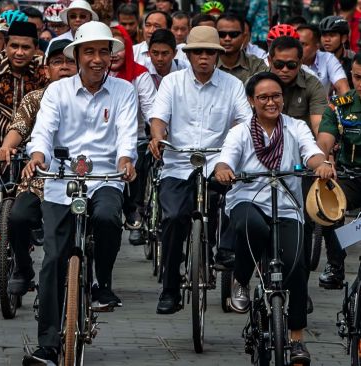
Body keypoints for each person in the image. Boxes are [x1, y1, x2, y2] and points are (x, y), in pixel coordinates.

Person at [21, 21, 138, 364]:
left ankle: (102, 281)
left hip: (106, 176)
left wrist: (126, 159)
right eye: (90, 52)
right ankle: (47, 344)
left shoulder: (124, 91)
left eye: (104, 52)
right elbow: (43, 129)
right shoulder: (57, 91)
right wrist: (38, 156)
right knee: (54, 259)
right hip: (61, 178)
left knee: (106, 218)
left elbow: (127, 132)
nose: (98, 59)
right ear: (78, 56)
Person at [214, 71, 334, 364]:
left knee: (297, 266)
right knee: (247, 224)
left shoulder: (295, 127)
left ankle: (296, 340)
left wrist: (322, 165)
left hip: (288, 206)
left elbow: (312, 153)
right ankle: (241, 279)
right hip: (248, 200)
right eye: (264, 97)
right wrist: (223, 170)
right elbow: (225, 158)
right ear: (252, 101)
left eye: (276, 96)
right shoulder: (241, 131)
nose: (271, 102)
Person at [148, 26, 252, 314]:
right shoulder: (172, 82)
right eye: (198, 52)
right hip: (179, 163)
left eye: (209, 52)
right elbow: (158, 118)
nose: (203, 58)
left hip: (218, 161)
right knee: (172, 219)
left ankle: (226, 250)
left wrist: (231, 151)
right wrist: (158, 136)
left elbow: (245, 122)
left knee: (236, 199)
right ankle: (170, 288)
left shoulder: (232, 85)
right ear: (189, 55)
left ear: (217, 55)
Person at [0, 38, 77, 296]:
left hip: (80, 180)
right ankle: (23, 268)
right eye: (57, 62)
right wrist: (6, 147)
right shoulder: (36, 98)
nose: (64, 67)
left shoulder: (89, 97)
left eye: (70, 62)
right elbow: (19, 127)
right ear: (46, 68)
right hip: (39, 178)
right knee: (17, 217)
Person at [0, 20, 47, 293]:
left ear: (35, 49)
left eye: (26, 47)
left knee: (26, 210)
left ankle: (23, 260)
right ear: (6, 45)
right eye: (13, 45)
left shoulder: (43, 73)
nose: (19, 52)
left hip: (32, 151)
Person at [315, 53, 361, 290]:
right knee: (328, 204)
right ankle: (335, 265)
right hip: (350, 177)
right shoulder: (340, 107)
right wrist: (323, 160)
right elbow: (324, 139)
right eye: (357, 77)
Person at [110, 24, 156, 244]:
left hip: (134, 136)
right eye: (108, 47)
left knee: (136, 158)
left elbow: (150, 110)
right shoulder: (91, 73)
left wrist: (157, 132)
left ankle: (133, 210)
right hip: (100, 140)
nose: (113, 53)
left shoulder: (140, 75)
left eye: (119, 47)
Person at [297, 24, 349, 96]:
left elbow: (343, 87)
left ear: (317, 45)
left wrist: (347, 103)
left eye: (303, 44)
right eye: (296, 43)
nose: (298, 48)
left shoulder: (328, 58)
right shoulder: (288, 61)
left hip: (322, 106)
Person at [216, 13, 266, 84]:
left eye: (233, 34)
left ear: (244, 37)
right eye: (222, 34)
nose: (227, 39)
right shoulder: (208, 64)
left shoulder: (256, 65)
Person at [320, 16, 354, 90]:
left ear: (344, 38)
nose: (327, 39)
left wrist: (337, 101)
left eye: (332, 35)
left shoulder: (353, 60)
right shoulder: (314, 59)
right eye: (324, 35)